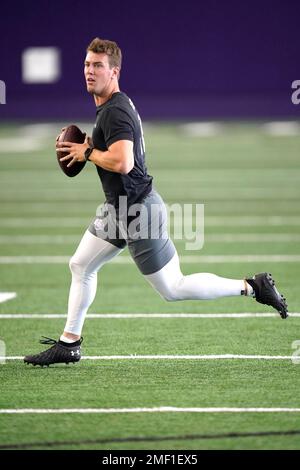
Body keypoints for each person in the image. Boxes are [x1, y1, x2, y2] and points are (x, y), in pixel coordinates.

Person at [24, 38, 288, 367]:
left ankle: (252, 287)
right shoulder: (110, 106)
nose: (90, 72)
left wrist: (87, 152)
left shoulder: (115, 110)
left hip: (137, 211)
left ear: (114, 71)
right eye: (87, 65)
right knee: (80, 265)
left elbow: (123, 163)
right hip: (118, 208)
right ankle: (69, 342)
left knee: (172, 288)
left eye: (98, 66)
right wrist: (93, 145)